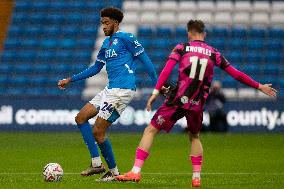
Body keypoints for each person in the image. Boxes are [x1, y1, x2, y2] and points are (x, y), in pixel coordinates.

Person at [115, 20, 277, 187]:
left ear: (189, 33)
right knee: (194, 137)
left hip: (177, 99)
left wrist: (155, 92)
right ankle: (196, 177)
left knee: (151, 130)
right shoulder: (215, 53)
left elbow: (166, 70)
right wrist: (259, 86)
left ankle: (135, 171)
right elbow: (236, 74)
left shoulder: (182, 47)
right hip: (197, 103)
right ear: (204, 34)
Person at [57, 7, 158, 181]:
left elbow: (146, 61)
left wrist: (157, 86)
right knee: (81, 118)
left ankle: (114, 172)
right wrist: (70, 79)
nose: (103, 26)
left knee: (98, 131)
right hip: (110, 90)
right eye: (102, 23)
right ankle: (97, 164)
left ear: (116, 23)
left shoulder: (127, 38)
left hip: (122, 90)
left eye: (106, 23)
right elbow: (96, 68)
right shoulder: (106, 44)